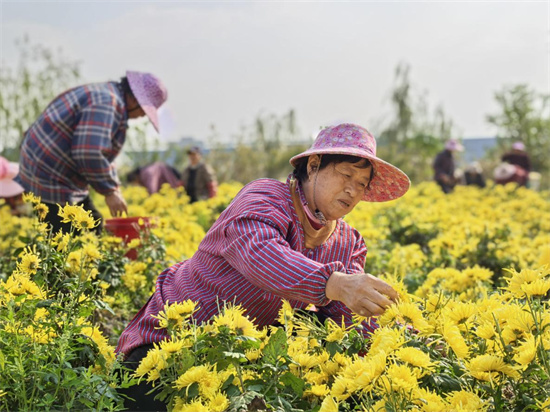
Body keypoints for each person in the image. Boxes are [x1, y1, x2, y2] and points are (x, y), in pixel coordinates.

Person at [115, 123, 410, 410]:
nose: (352, 190)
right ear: (313, 165)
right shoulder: (264, 198)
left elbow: (350, 318)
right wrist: (335, 284)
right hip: (173, 340)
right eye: (345, 174)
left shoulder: (347, 242)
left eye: (361, 184)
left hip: (242, 357)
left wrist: (404, 341)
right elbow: (262, 256)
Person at [14, 71, 168, 235]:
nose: (143, 115)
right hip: (49, 174)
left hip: (52, 170)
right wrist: (109, 192)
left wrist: (114, 187)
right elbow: (88, 153)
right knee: (70, 239)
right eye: (145, 110)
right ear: (133, 100)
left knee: (92, 226)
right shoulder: (107, 103)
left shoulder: (108, 95)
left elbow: (103, 153)